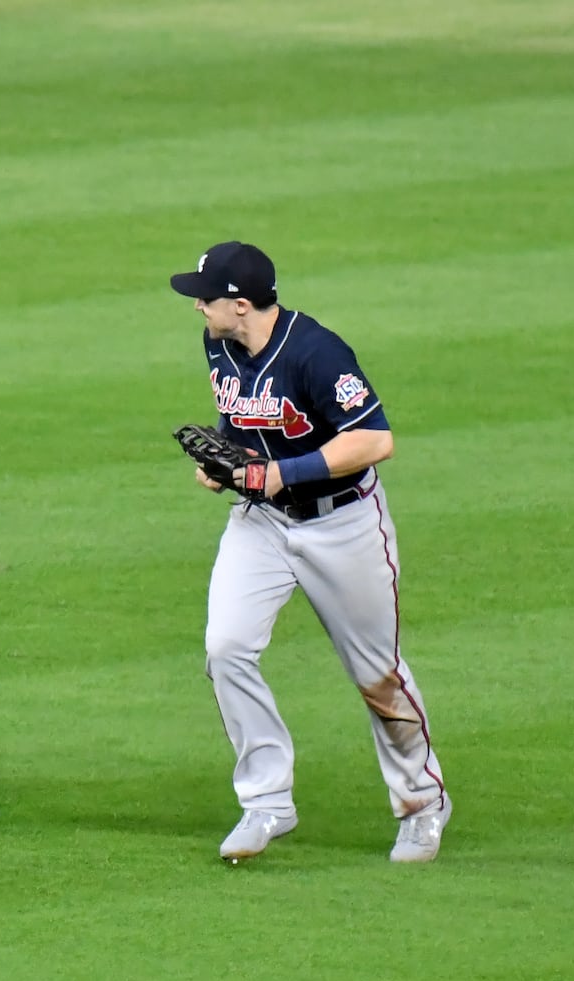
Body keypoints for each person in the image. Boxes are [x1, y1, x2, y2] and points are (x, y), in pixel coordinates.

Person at [169, 241, 451, 862]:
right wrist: (224, 463)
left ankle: (422, 803)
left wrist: (280, 473)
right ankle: (265, 802)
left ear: (240, 305)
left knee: (377, 674)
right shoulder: (221, 343)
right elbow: (241, 424)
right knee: (226, 647)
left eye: (205, 298)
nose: (197, 308)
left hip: (343, 525)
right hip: (261, 525)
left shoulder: (317, 353)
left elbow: (375, 440)